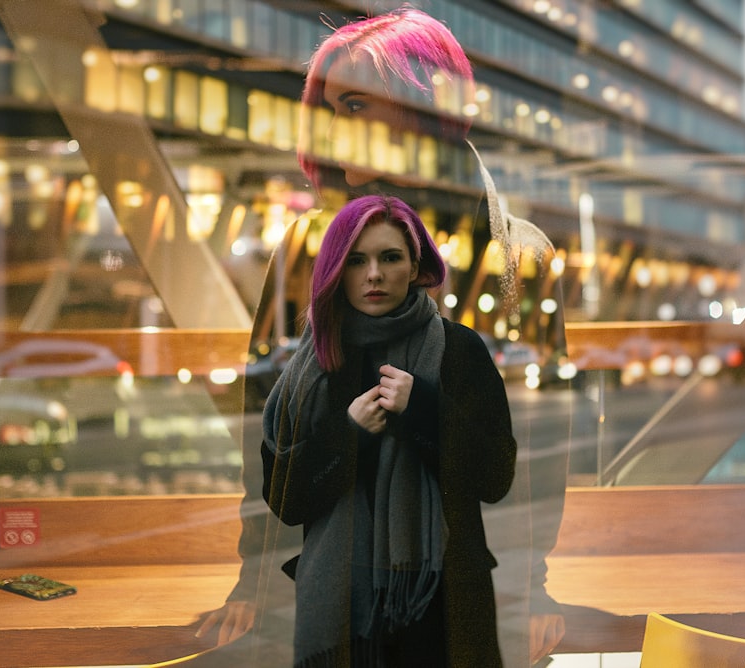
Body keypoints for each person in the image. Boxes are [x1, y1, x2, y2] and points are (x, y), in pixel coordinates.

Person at [195, 7, 568, 665]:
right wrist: (249, 583)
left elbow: (537, 453)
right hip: (332, 586)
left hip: (461, 583)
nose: (339, 132)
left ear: (424, 106)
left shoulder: (515, 260)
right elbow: (268, 434)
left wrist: (533, 594)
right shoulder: (309, 251)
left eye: (357, 106)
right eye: (332, 110)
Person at [261, 194, 516, 667]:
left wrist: (422, 408)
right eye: (356, 261)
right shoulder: (316, 364)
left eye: (390, 257)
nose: (373, 274)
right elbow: (285, 501)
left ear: (416, 265)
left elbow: (495, 477)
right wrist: (349, 434)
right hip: (345, 607)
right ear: (337, 270)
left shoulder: (459, 351)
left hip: (441, 602)